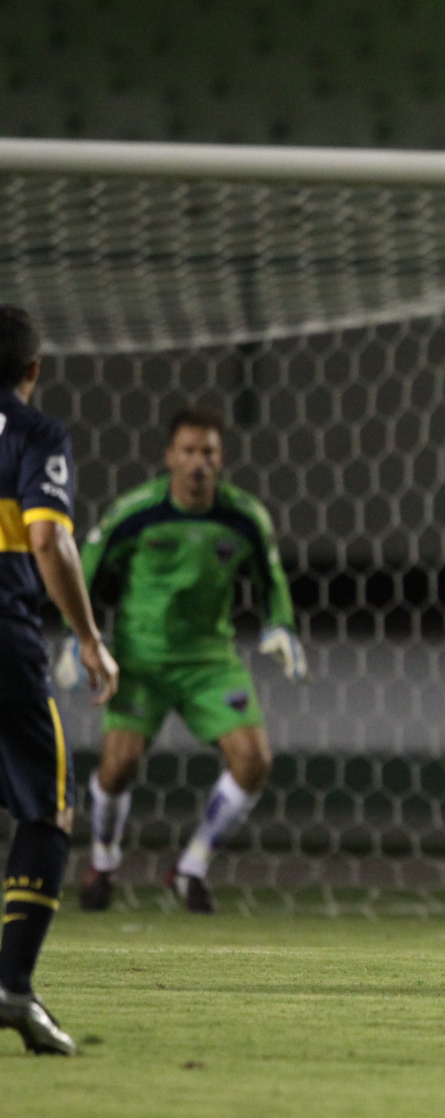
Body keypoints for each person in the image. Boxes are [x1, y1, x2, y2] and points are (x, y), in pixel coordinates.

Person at [63, 405, 301, 914]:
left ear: (222, 459)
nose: (198, 462)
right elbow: (87, 568)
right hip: (140, 658)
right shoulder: (136, 512)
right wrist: (75, 634)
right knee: (118, 766)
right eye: (189, 451)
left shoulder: (244, 517)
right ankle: (104, 860)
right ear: (170, 456)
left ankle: (190, 867)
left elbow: (270, 578)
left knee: (254, 760)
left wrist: (279, 623)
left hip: (209, 661)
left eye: (208, 452)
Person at [0, 305, 118, 1055]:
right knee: (48, 809)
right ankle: (12, 987)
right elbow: (48, 539)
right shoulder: (37, 435)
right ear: (32, 371)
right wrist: (90, 639)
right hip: (4, 642)